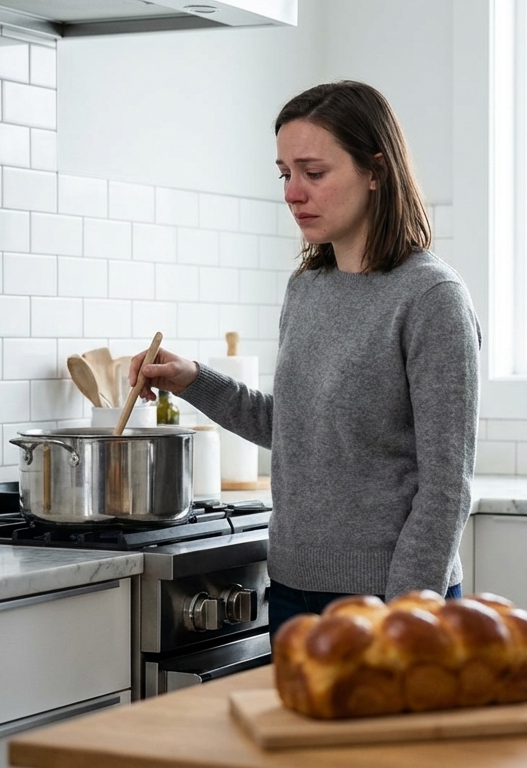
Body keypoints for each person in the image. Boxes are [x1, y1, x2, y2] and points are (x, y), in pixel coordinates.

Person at [130, 81, 481, 637]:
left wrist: (406, 611)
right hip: (292, 587)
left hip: (389, 599)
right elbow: (295, 428)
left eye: (313, 173)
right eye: (284, 173)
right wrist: (193, 380)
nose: (293, 192)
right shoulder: (307, 288)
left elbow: (447, 485)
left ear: (375, 170)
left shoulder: (431, 299)